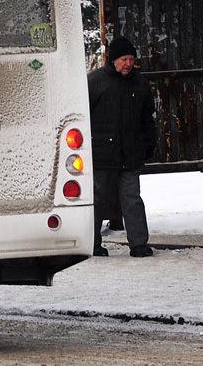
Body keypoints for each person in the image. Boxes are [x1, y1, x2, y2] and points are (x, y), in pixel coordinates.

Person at [88, 35, 157, 258]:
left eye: (131, 59)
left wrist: (150, 143)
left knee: (133, 200)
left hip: (130, 153)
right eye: (124, 59)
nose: (128, 63)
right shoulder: (94, 82)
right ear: (113, 60)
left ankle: (139, 244)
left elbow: (148, 118)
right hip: (100, 154)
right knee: (97, 200)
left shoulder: (141, 84)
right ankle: (92, 244)